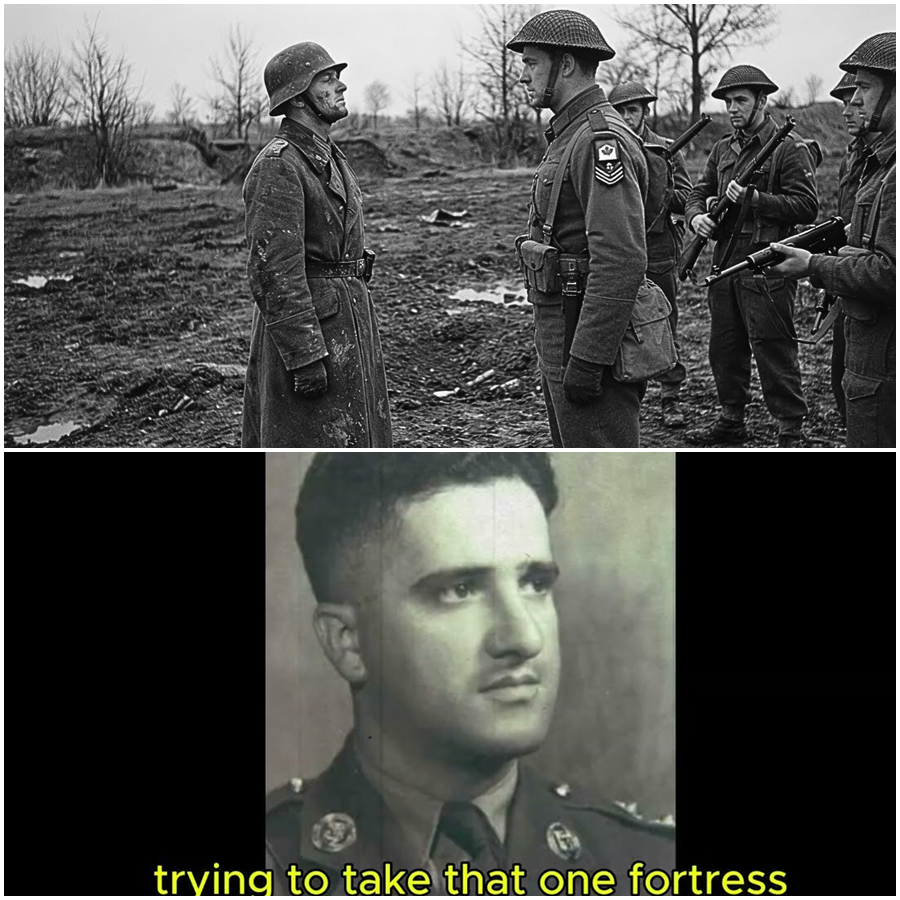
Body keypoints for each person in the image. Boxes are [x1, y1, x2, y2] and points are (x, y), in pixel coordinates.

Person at [266, 453, 675, 895]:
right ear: (348, 641)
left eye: (535, 583)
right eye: (459, 590)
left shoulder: (653, 866)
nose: (524, 638)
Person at [507, 10, 652, 447]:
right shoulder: (569, 135)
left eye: (532, 63)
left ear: (565, 65)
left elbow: (621, 258)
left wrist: (588, 357)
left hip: (587, 334)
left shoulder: (596, 140)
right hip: (566, 324)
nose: (523, 76)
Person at [241, 42, 392, 448]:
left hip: (347, 324)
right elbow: (273, 270)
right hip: (314, 337)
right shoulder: (280, 164)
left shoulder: (329, 156)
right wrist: (304, 354)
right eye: (327, 80)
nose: (341, 86)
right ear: (298, 95)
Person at [770, 33, 895, 448]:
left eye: (863, 87)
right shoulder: (878, 164)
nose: (852, 100)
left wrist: (813, 265)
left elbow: (891, 271)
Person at [684, 66, 820, 447]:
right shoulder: (722, 149)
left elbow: (807, 206)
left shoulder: (788, 148)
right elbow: (698, 191)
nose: (732, 108)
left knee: (773, 346)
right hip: (725, 261)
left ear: (762, 101)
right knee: (725, 349)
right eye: (728, 102)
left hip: (767, 265)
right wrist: (697, 217)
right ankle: (732, 419)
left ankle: (790, 429)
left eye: (740, 100)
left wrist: (755, 200)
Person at [609, 82, 693, 429]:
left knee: (661, 323)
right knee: (617, 322)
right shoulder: (608, 148)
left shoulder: (666, 149)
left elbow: (688, 196)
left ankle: (670, 395)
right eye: (622, 110)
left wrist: (662, 185)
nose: (628, 116)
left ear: (645, 112)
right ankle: (628, 396)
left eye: (634, 109)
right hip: (618, 249)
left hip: (658, 249)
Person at [825, 71, 877, 428]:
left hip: (871, 278)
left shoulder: (884, 161)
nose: (849, 109)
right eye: (845, 101)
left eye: (856, 98)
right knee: (843, 373)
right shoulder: (852, 156)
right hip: (847, 274)